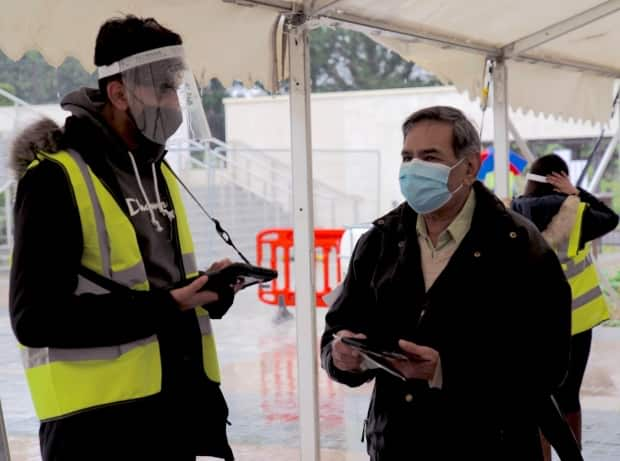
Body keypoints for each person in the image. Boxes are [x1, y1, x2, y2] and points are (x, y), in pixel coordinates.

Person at [9, 15, 236, 461]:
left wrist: (206, 291)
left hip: (176, 416)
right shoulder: (55, 178)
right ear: (118, 93)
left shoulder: (158, 172)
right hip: (98, 432)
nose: (175, 103)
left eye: (178, 89)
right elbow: (34, 319)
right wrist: (167, 305)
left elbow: (152, 288)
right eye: (164, 89)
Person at [320, 106, 572, 460]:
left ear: (469, 167)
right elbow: (337, 331)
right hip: (397, 444)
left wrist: (444, 371)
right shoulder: (379, 242)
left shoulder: (519, 246)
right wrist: (341, 357)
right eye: (407, 157)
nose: (412, 169)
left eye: (430, 157)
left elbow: (548, 364)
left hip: (489, 445)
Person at [511, 154, 619, 456]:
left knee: (537, 395)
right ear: (559, 179)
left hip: (530, 324)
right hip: (576, 321)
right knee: (569, 395)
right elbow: (611, 218)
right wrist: (576, 192)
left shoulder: (513, 213)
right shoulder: (576, 211)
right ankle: (574, 452)